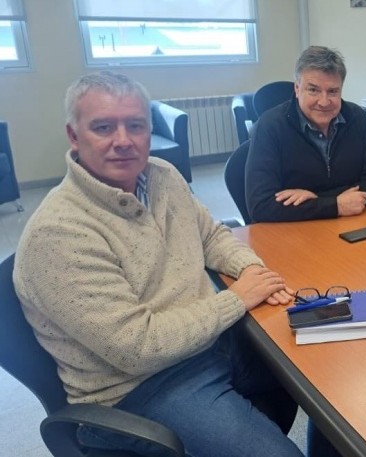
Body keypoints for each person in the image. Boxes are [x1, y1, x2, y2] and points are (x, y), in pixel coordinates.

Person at [13, 71, 305, 456]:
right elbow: (137, 347)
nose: (123, 141)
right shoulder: (59, 234)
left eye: (135, 126)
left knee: (327, 382)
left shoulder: (162, 176)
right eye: (103, 127)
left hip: (209, 343)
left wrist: (252, 270)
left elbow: (212, 235)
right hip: (143, 387)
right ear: (74, 136)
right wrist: (237, 299)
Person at [245, 46, 366, 222]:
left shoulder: (356, 117)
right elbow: (260, 206)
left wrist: (317, 199)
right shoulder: (269, 126)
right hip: (293, 234)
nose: (324, 101)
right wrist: (334, 204)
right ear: (297, 89)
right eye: (313, 90)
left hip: (348, 226)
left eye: (332, 91)